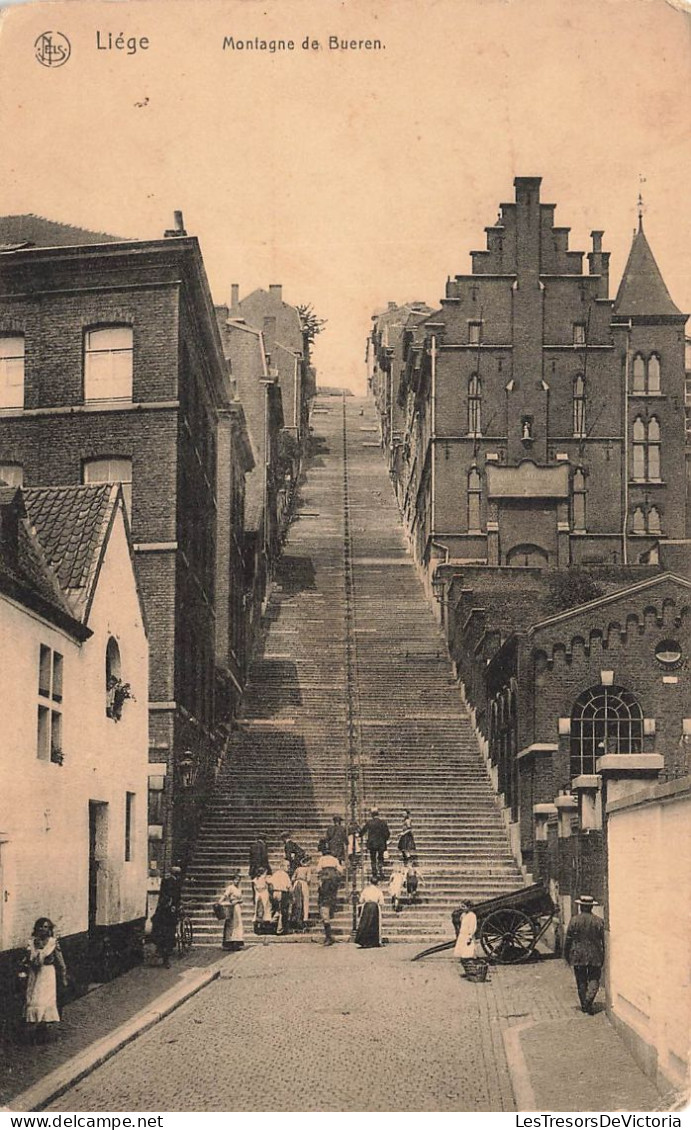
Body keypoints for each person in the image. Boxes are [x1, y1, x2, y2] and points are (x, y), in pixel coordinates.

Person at [22, 917, 68, 1042]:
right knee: (33, 1000)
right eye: (40, 927)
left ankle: (44, 1031)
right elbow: (26, 960)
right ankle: (36, 1031)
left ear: (50, 930)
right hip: (34, 975)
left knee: (45, 1001)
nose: (43, 929)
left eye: (46, 927)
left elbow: (61, 962)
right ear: (36, 929)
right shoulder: (31, 943)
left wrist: (63, 977)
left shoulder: (53, 943)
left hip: (47, 975)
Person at [563, 895, 605, 1014]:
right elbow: (603, 941)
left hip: (578, 956)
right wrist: (603, 955)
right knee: (594, 979)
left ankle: (585, 1004)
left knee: (581, 980)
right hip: (595, 955)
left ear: (581, 906)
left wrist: (566, 955)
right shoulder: (599, 921)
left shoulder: (574, 920)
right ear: (591, 907)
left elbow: (568, 939)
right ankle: (589, 1000)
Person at [151, 865, 182, 967]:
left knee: (161, 935)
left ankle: (160, 953)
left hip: (162, 914)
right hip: (169, 916)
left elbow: (162, 896)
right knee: (168, 936)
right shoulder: (176, 883)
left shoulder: (165, 881)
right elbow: (176, 897)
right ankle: (165, 959)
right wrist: (175, 906)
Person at [317, 845, 343, 946]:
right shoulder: (335, 859)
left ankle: (328, 936)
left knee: (324, 899)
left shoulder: (322, 859)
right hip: (333, 879)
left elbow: (318, 869)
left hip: (325, 880)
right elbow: (340, 870)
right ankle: (331, 907)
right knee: (332, 894)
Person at [359, 807, 390, 880]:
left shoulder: (369, 823)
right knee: (380, 858)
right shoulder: (383, 822)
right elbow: (387, 833)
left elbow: (363, 831)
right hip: (381, 843)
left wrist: (359, 835)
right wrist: (384, 839)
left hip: (372, 843)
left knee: (373, 859)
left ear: (371, 815)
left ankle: (374, 873)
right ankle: (381, 872)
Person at [355, 878, 385, 947]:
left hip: (367, 907)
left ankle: (364, 941)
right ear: (377, 883)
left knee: (365, 923)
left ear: (370, 882)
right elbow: (381, 902)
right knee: (374, 924)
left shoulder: (366, 890)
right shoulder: (378, 891)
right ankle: (373, 941)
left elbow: (361, 900)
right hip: (374, 908)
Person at [219, 873, 244, 951]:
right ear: (233, 880)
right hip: (231, 907)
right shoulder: (230, 888)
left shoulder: (239, 889)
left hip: (237, 908)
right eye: (236, 879)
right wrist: (219, 902)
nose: (237, 881)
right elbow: (225, 895)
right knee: (230, 924)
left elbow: (241, 899)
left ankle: (236, 943)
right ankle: (228, 942)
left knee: (237, 924)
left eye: (239, 880)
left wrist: (239, 901)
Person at [268, 860, 292, 934]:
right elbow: (289, 886)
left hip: (275, 892)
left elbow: (269, 882)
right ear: (282, 866)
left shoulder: (276, 874)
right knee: (283, 911)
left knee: (277, 910)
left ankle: (271, 922)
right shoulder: (285, 875)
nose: (289, 868)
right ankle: (280, 929)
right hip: (282, 893)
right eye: (287, 866)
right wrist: (291, 895)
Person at [453, 900, 478, 972]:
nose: (462, 908)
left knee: (468, 954)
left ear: (469, 907)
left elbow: (473, 927)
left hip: (467, 936)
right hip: (462, 935)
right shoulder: (463, 915)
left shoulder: (472, 916)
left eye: (464, 907)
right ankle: (466, 970)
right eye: (462, 906)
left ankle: (470, 970)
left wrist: (470, 937)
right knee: (462, 953)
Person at [290, 857, 312, 931]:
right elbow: (308, 879)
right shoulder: (308, 869)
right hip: (303, 883)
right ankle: (304, 919)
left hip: (296, 883)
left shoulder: (298, 869)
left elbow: (292, 878)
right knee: (305, 901)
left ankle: (294, 918)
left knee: (295, 901)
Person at [252, 869, 274, 934]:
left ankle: (259, 927)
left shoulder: (256, 879)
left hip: (259, 895)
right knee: (264, 909)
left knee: (260, 909)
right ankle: (263, 927)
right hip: (263, 895)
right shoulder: (263, 879)